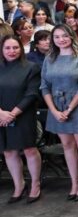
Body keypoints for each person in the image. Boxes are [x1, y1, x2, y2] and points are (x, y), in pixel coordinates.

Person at [40, 24, 78, 201]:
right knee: (67, 145)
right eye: (57, 37)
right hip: (56, 105)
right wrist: (54, 110)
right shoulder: (49, 58)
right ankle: (73, 181)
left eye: (64, 36)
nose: (61, 40)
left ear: (71, 36)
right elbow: (44, 86)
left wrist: (69, 109)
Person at [0, 36, 42, 203]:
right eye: (8, 48)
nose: (12, 51)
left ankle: (35, 184)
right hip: (1, 116)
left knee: (29, 149)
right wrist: (1, 113)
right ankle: (19, 185)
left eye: (15, 48)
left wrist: (12, 114)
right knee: (9, 151)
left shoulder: (32, 67)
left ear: (21, 49)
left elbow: (32, 93)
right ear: (2, 50)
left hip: (24, 113)